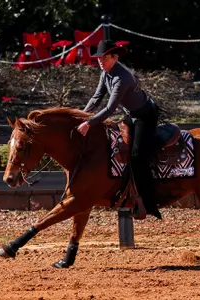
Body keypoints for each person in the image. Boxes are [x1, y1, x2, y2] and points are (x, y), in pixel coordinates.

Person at [77, 39, 162, 220]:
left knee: (137, 156)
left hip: (144, 116)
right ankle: (125, 189)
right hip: (130, 114)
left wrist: (89, 123)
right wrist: (81, 115)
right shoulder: (105, 73)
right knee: (116, 146)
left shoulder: (122, 78)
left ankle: (148, 200)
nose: (100, 61)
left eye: (104, 58)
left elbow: (110, 108)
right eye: (99, 58)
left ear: (114, 58)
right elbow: (97, 97)